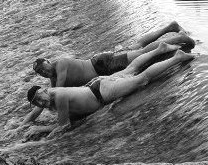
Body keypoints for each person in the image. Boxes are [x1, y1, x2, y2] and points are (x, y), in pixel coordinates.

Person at [23, 21, 194, 123]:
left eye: (42, 67)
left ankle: (177, 39)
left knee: (140, 57)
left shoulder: (59, 67)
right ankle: (169, 29)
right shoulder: (51, 84)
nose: (43, 72)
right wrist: (26, 121)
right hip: (99, 75)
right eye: (40, 72)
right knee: (136, 51)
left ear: (47, 61)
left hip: (102, 66)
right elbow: (42, 101)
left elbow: (49, 99)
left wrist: (41, 108)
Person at [25, 42, 196, 136]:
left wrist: (39, 129)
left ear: (45, 91)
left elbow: (63, 127)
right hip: (96, 84)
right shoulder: (52, 95)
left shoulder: (58, 95)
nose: (41, 103)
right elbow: (39, 111)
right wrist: (22, 126)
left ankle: (177, 58)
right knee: (130, 70)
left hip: (102, 92)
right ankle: (160, 50)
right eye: (37, 102)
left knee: (141, 79)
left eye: (40, 97)